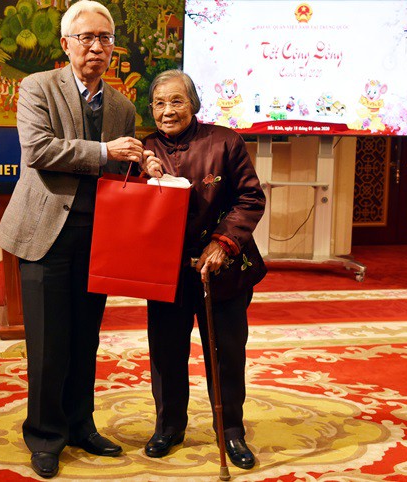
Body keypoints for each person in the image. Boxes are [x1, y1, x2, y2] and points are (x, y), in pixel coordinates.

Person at [0, 1, 144, 478]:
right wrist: (104, 151)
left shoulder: (123, 107)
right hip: (46, 233)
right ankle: (44, 435)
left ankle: (81, 425)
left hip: (98, 237)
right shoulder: (37, 86)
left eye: (105, 38)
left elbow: (122, 168)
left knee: (84, 338)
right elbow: (38, 150)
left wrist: (145, 165)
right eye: (86, 38)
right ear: (66, 44)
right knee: (47, 342)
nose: (96, 47)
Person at [140, 69, 267, 470]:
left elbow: (250, 197)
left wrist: (223, 242)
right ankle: (169, 427)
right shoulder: (144, 149)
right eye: (159, 103)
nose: (168, 111)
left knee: (225, 352)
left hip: (222, 267)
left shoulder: (225, 141)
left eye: (176, 101)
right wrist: (143, 174)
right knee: (166, 351)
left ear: (193, 104)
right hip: (167, 271)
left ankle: (230, 431)